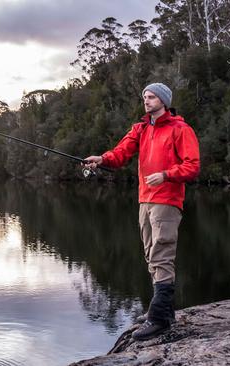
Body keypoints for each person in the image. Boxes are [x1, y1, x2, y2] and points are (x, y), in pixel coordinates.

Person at [84, 83, 200, 341]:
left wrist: (167, 174)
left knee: (161, 255)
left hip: (167, 200)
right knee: (151, 255)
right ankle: (164, 312)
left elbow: (192, 167)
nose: (146, 101)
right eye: (145, 97)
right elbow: (120, 153)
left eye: (151, 97)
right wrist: (101, 159)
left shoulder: (181, 129)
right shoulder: (141, 128)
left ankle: (158, 319)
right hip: (145, 200)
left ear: (164, 101)